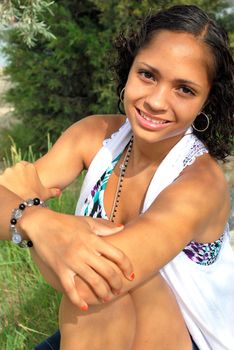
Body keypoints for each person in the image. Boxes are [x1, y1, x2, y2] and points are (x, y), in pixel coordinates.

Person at [0, 4, 233, 350]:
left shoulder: (200, 184)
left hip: (186, 340)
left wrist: (29, 222)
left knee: (111, 283)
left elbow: (89, 279)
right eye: (148, 75)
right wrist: (35, 220)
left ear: (206, 101)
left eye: (184, 89)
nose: (156, 101)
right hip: (99, 332)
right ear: (130, 67)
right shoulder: (95, 136)